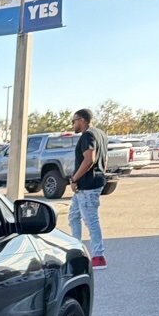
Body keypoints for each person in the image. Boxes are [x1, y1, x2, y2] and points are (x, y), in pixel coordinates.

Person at [67, 109, 109, 269]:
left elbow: (89, 159)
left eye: (74, 121)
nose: (73, 125)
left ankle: (98, 257)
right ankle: (76, 249)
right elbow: (104, 159)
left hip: (87, 185)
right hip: (89, 184)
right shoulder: (100, 134)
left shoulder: (88, 135)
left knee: (91, 220)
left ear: (82, 120)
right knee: (73, 216)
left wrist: (74, 178)